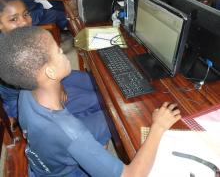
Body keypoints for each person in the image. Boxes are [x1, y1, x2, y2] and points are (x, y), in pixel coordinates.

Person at [0, 26, 181, 177]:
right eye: (58, 50)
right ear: (50, 73)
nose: (63, 50)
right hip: (69, 172)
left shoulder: (25, 92)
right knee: (120, 121)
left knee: (109, 113)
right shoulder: (71, 133)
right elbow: (132, 175)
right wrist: (158, 127)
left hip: (45, 162)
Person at [0, 0, 106, 133]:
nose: (24, 22)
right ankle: (81, 127)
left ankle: (82, 117)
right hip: (31, 97)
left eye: (26, 14)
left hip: (47, 77)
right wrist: (57, 83)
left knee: (97, 81)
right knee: (99, 100)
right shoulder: (6, 54)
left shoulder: (20, 35)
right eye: (13, 19)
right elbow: (32, 84)